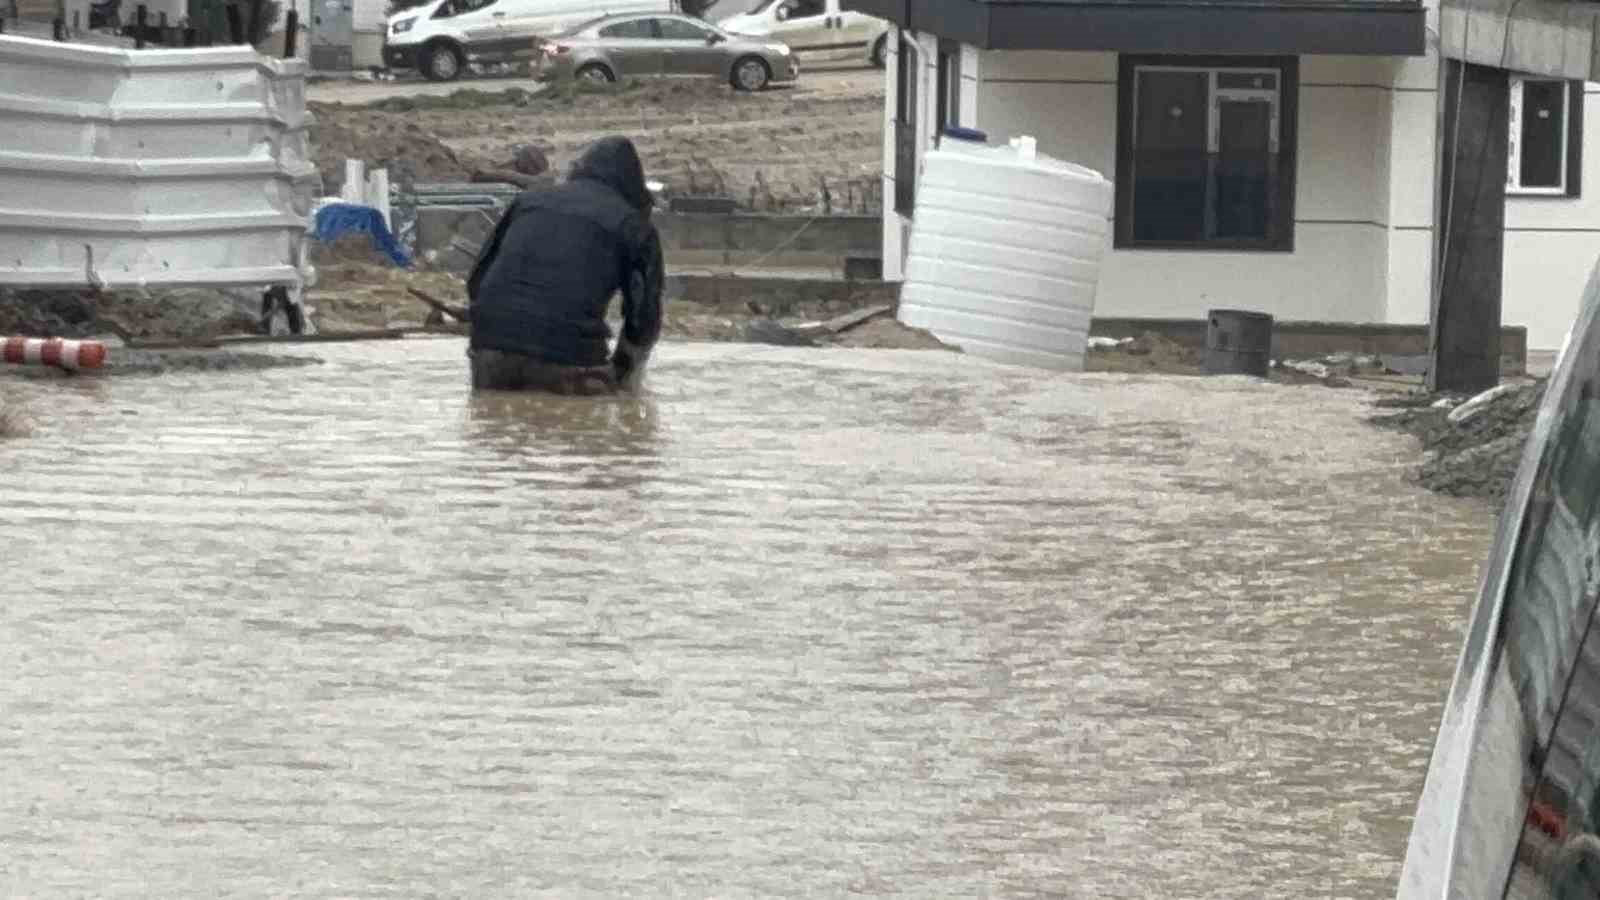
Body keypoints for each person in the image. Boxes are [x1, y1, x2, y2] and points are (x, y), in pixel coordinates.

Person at [466, 136, 663, 395]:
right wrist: (623, 380)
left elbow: (476, 281)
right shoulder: (633, 225)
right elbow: (643, 320)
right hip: (569, 362)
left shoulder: (530, 201)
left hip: (488, 355)